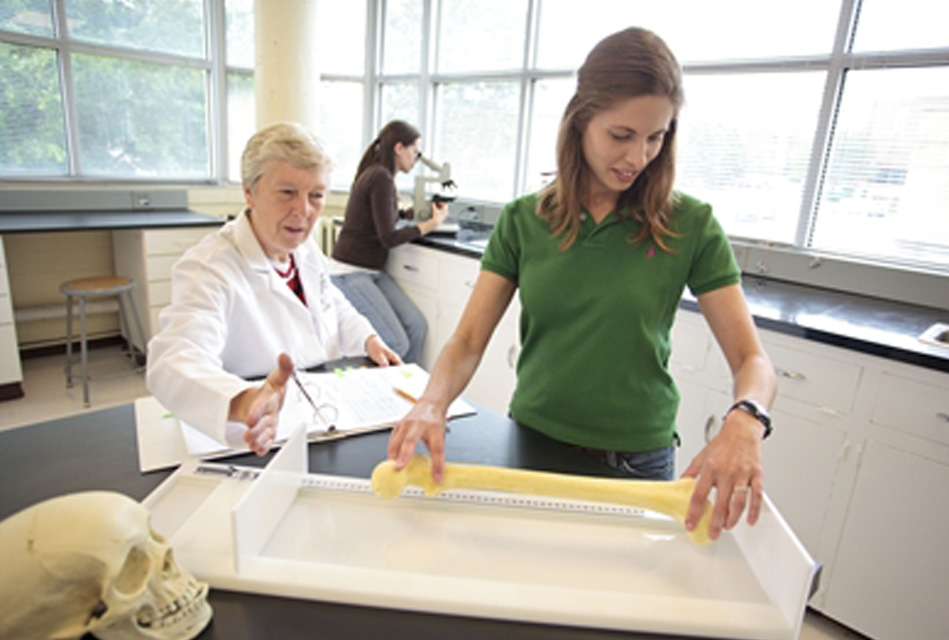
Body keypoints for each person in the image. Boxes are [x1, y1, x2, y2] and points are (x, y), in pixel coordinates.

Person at [386, 27, 777, 542]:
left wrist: (746, 419)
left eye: (656, 137)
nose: (639, 157)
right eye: (622, 135)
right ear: (581, 120)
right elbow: (467, 342)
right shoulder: (525, 221)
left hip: (637, 460)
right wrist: (432, 400)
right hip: (534, 444)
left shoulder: (691, 224)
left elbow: (753, 360)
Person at [147, 122, 401, 456]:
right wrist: (242, 401)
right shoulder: (209, 268)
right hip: (256, 438)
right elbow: (173, 360)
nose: (303, 211)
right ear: (249, 192)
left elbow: (331, 301)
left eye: (316, 195)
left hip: (318, 415)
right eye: (287, 193)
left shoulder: (304, 250)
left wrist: (367, 339)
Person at [330, 120, 448, 364]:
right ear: (399, 148)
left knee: (416, 326)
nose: (416, 159)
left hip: (372, 271)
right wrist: (430, 225)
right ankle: (380, 391)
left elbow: (383, 216)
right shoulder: (380, 177)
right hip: (350, 273)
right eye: (414, 151)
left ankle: (407, 387)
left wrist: (413, 214)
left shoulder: (381, 175)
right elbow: (388, 237)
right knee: (396, 343)